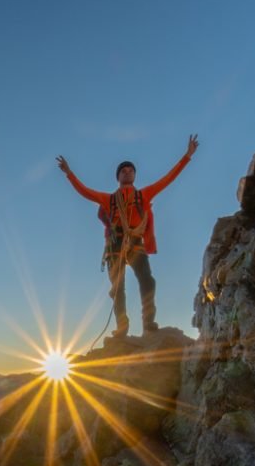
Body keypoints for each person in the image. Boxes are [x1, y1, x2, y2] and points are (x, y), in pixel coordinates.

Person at [56, 135, 198, 337]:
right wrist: (69, 173)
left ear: (134, 175)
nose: (127, 172)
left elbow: (168, 179)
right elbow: (85, 192)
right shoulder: (109, 199)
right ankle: (122, 327)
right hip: (115, 245)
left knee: (148, 281)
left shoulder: (144, 195)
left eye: (130, 170)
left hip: (135, 243)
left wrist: (187, 156)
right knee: (118, 288)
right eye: (123, 171)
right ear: (118, 177)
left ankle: (148, 323)